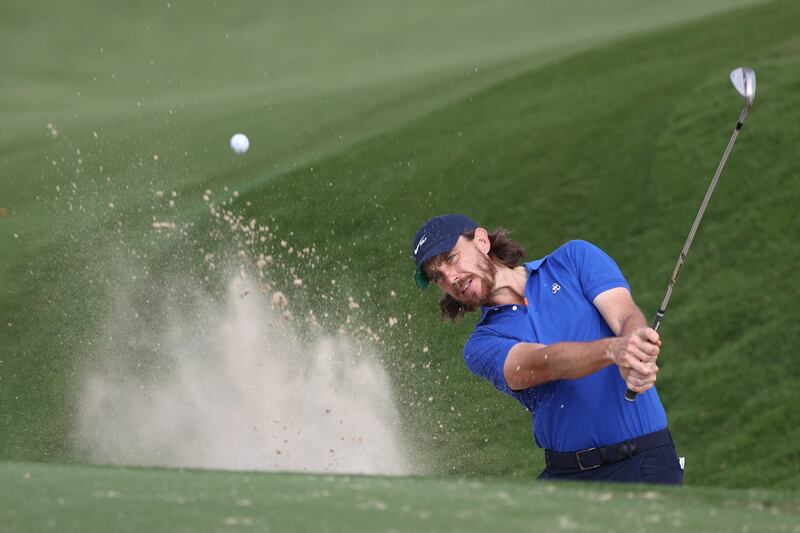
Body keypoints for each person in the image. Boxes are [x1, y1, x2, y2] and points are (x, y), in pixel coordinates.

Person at [411, 214, 683, 484]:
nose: (451, 278)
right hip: (570, 477)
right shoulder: (482, 343)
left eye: (451, 258)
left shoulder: (574, 259)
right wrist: (614, 351)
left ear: (481, 240)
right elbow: (544, 362)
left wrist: (635, 348)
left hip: (648, 461)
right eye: (437, 277)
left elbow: (625, 315)